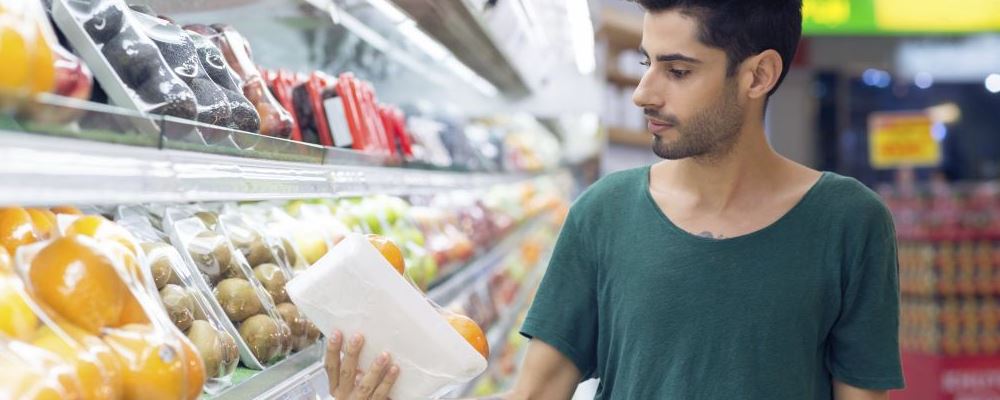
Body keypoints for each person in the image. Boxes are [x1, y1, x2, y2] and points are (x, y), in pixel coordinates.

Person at [324, 0, 904, 398]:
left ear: (758, 76)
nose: (643, 93)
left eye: (678, 71)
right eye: (648, 62)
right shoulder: (604, 212)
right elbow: (535, 393)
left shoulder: (849, 223)